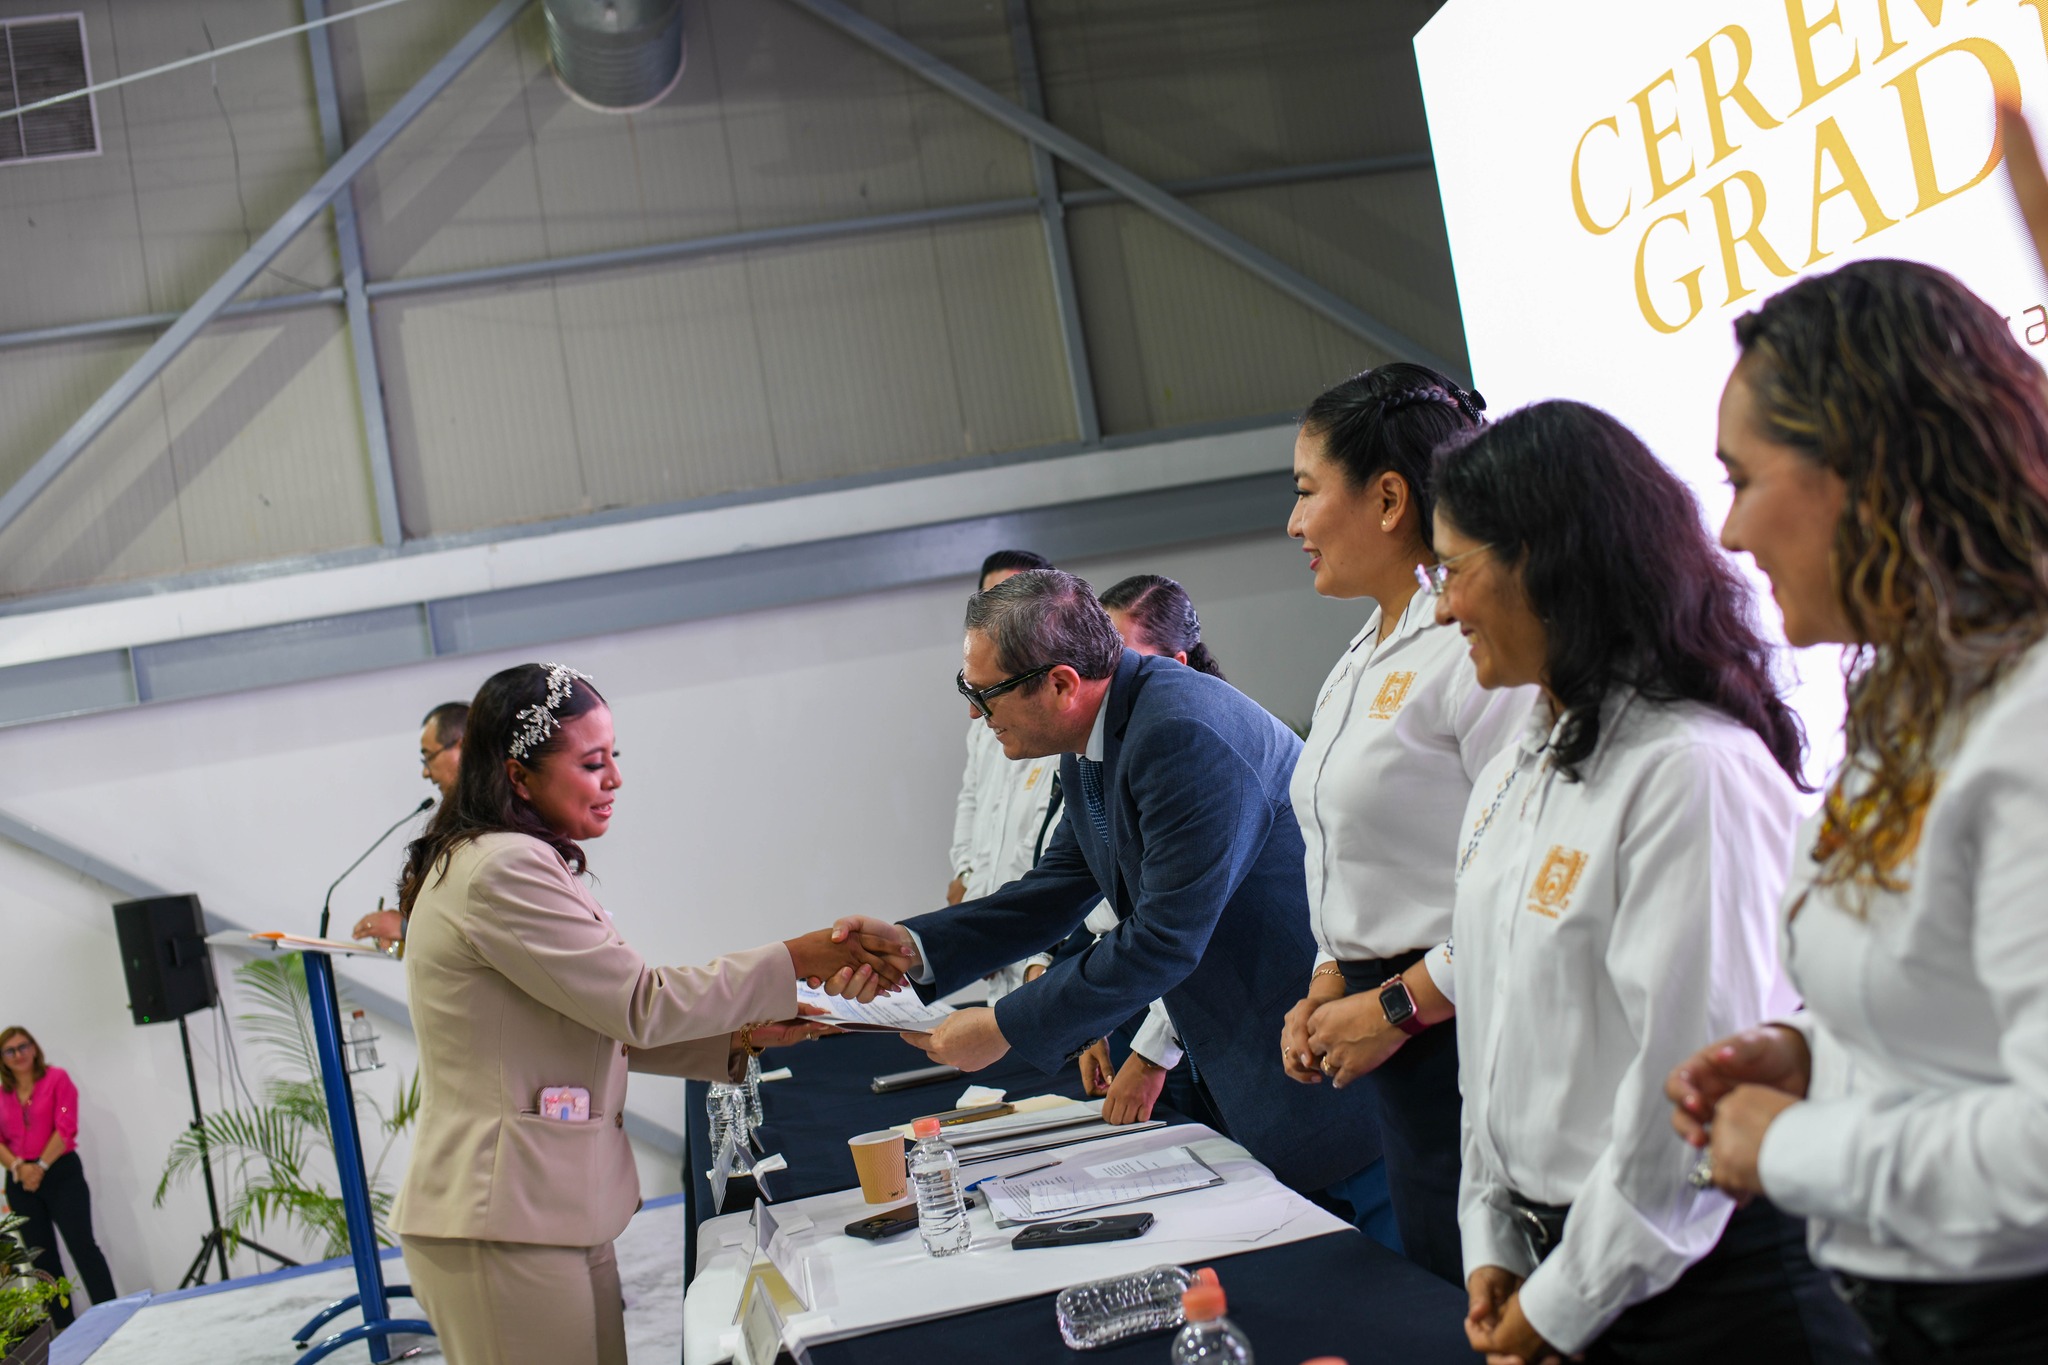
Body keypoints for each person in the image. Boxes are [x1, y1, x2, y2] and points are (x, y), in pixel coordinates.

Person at [1665, 258, 2048, 1364]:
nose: (1729, 530)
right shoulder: (1916, 697)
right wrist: (1811, 1052)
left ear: (1869, 469)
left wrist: (1792, 1147)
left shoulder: (2028, 719)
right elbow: (1953, 1004)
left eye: (1743, 478)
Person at [1430, 402, 1867, 1364]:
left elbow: (1686, 1094)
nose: (1442, 609)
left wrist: (1564, 1301)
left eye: (1455, 571)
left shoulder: (1690, 770)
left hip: (1705, 1291)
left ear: (1545, 562)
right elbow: (1493, 1046)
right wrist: (1492, 1234)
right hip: (1573, 1270)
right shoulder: (1514, 773)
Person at [391, 663, 907, 1365]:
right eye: (592, 762)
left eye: (614, 757)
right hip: (500, 1213)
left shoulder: (508, 858)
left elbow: (593, 1019)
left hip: (543, 1207)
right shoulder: (502, 867)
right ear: (519, 777)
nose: (614, 779)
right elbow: (639, 1003)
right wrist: (794, 959)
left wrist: (740, 1035)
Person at [827, 571, 1387, 1217]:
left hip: (1326, 1074)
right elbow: (1054, 889)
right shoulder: (1102, 729)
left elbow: (1163, 938)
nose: (976, 714)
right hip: (1256, 1058)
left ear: (1061, 684)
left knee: (1388, 1267)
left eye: (985, 694)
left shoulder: (1178, 732)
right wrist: (916, 948)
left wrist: (1005, 1026)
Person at [1266, 364, 1538, 1288]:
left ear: (1387, 499)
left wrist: (1397, 1004)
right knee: (1438, 1290)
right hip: (1388, 1030)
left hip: (1468, 1018)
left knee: (1498, 1291)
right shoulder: (1360, 654)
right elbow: (1347, 852)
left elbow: (1517, 872)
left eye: (1307, 491)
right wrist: (1327, 976)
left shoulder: (1472, 645)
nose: (1294, 524)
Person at [1075, 574, 1224, 1128]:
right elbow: (1092, 895)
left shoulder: (1189, 745)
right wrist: (1091, 1018)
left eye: (1119, 662)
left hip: (1195, 1008)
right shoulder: (1101, 751)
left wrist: (1152, 1054)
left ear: (1176, 666)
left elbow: (1183, 924)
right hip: (1134, 992)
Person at [945, 550, 1061, 1002]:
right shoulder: (985, 720)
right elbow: (972, 803)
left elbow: (1061, 853)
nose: (999, 616)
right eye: (991, 600)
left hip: (1044, 944)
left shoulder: (1059, 719)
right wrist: (968, 877)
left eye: (1014, 602)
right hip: (997, 937)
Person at [0, 1027, 117, 1330]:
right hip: (21, 1181)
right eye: (10, 1050)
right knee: (42, 1260)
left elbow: (65, 1123)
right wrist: (20, 1168)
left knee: (82, 1246)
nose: (18, 1054)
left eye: (23, 1046)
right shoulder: (2, 1096)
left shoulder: (57, 1080)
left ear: (34, 1048)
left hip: (61, 1173)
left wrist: (39, 1166)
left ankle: (114, 1316)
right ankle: (65, 1327)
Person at [354, 700, 469, 949]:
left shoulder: (483, 823)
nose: (426, 773)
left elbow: (470, 918)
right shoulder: (461, 817)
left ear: (462, 745)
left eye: (429, 757)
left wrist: (405, 927)